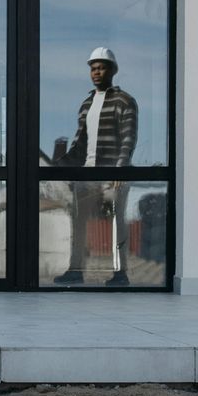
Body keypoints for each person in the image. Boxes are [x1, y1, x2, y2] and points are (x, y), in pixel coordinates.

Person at [52, 47, 139, 287]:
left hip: (113, 175)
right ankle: (75, 270)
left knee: (116, 223)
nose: (96, 72)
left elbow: (128, 138)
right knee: (78, 223)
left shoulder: (125, 101)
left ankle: (120, 274)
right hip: (86, 174)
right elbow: (79, 144)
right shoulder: (86, 103)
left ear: (112, 70)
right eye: (93, 68)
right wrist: (55, 167)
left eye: (101, 67)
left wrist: (119, 170)